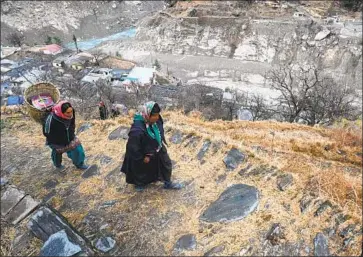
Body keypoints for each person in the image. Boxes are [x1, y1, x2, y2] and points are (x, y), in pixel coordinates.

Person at [121, 101, 183, 191]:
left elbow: (159, 129)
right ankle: (139, 183)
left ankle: (167, 182)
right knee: (140, 168)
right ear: (147, 115)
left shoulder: (155, 119)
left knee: (166, 163)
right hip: (141, 151)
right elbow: (133, 148)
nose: (157, 117)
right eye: (154, 116)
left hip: (156, 146)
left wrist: (159, 142)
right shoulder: (137, 130)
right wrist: (143, 157)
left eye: (158, 115)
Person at [43, 100, 89, 170]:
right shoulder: (51, 119)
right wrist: (58, 140)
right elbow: (46, 132)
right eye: (68, 112)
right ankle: (58, 165)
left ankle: (79, 164)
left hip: (70, 138)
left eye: (71, 111)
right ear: (61, 112)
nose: (70, 114)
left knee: (78, 149)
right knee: (57, 153)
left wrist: (71, 134)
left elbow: (72, 124)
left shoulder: (72, 113)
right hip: (56, 142)